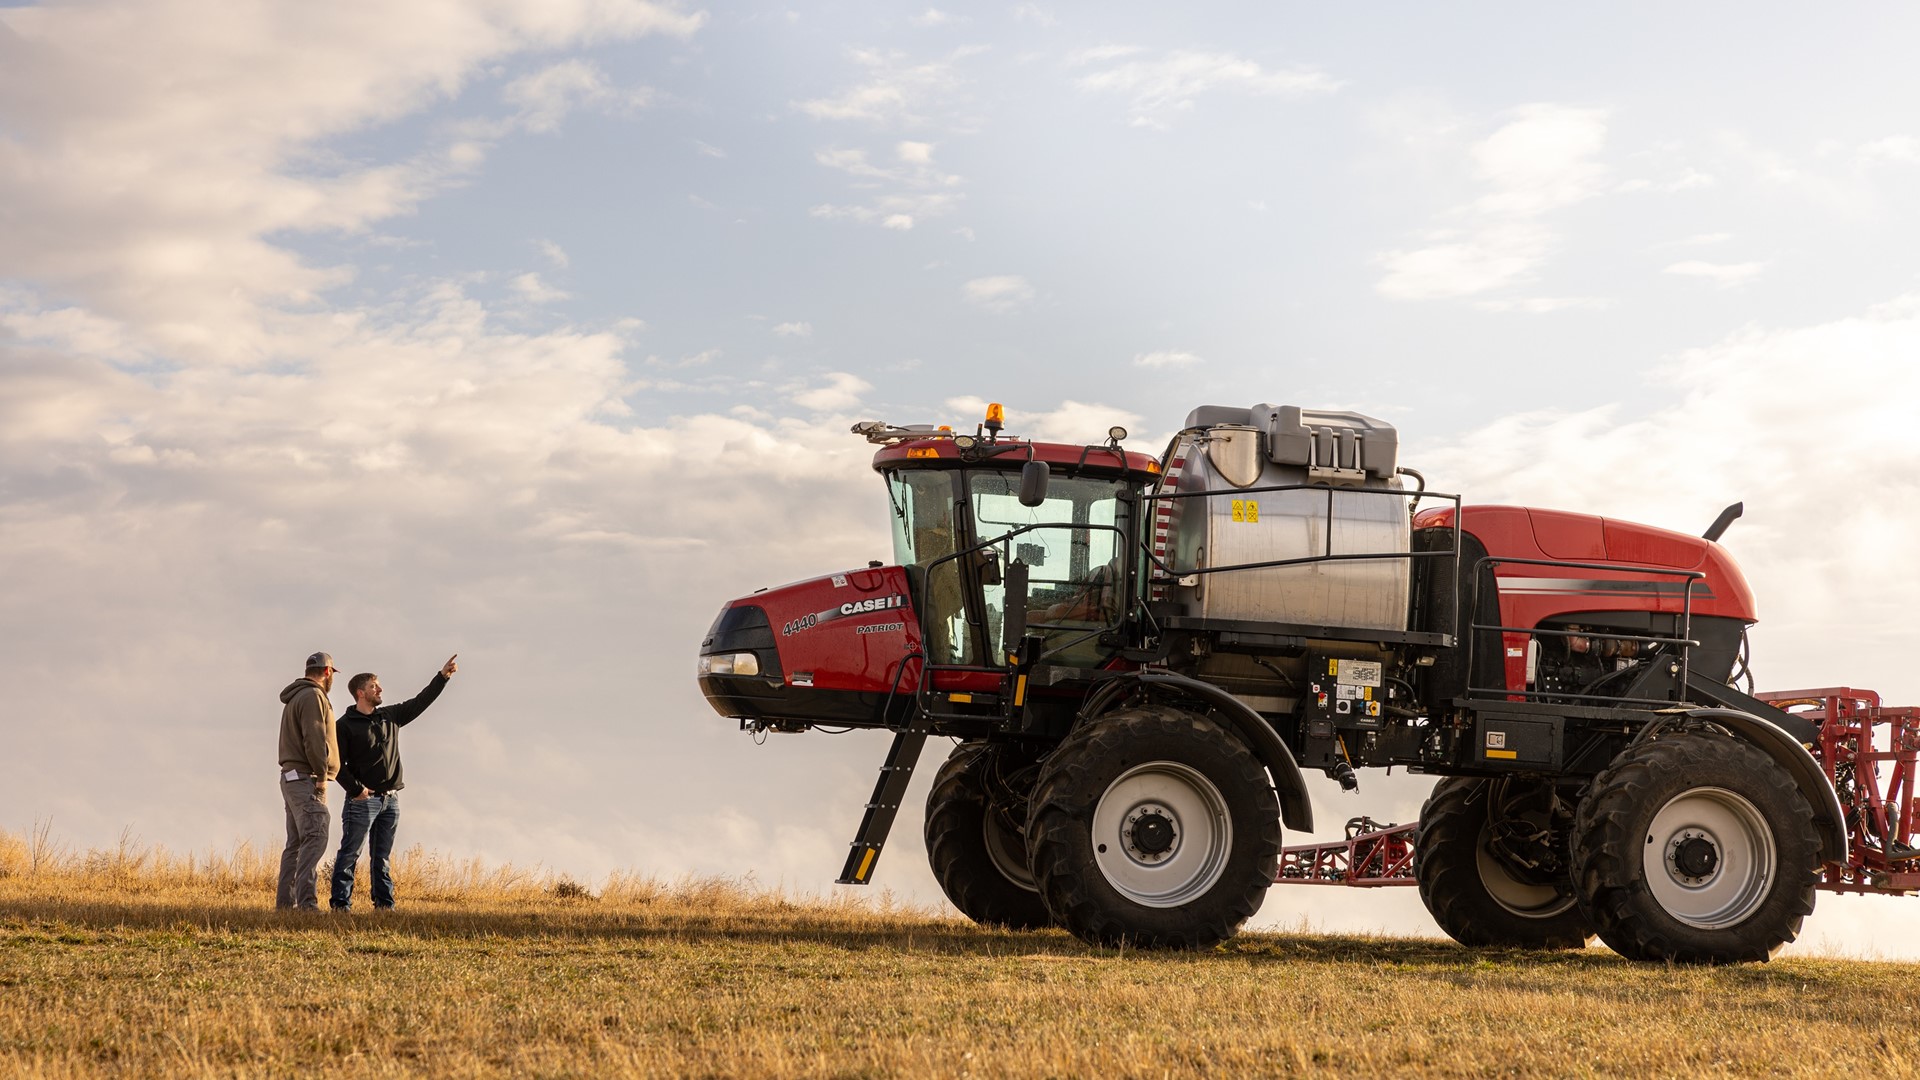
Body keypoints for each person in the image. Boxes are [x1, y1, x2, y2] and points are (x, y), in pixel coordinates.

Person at [330, 654, 459, 911]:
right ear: (360, 693)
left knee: (382, 858)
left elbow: (420, 702)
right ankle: (341, 906)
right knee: (350, 854)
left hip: (391, 800)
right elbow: (335, 765)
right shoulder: (344, 726)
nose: (380, 690)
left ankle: (384, 905)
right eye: (373, 686)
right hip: (362, 801)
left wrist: (442, 677)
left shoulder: (390, 716)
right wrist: (356, 790)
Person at [276, 650, 340, 911]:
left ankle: (285, 904)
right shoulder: (314, 696)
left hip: (291, 777)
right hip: (306, 777)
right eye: (332, 673)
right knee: (316, 834)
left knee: (296, 843)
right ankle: (307, 904)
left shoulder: (296, 696)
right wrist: (322, 777)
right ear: (327, 672)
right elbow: (314, 739)